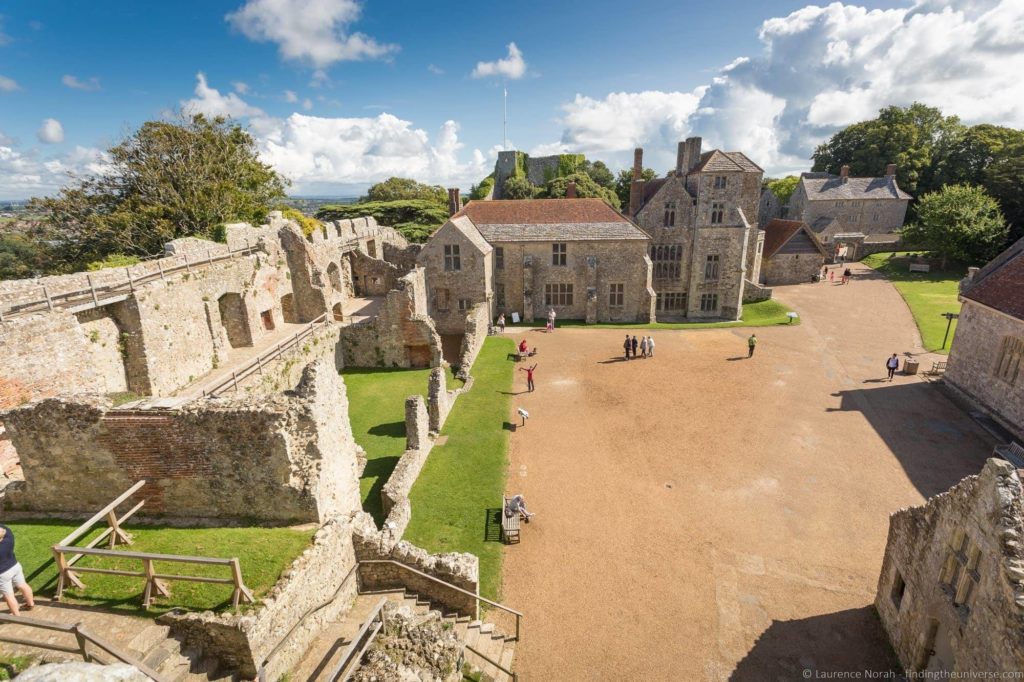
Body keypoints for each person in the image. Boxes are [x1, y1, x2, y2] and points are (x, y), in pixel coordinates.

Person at [0, 525, 34, 616]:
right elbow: (3, 528)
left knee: (8, 595)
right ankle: (30, 604)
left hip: (2, 574)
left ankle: (16, 615)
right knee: (23, 585)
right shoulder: (9, 536)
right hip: (15, 566)